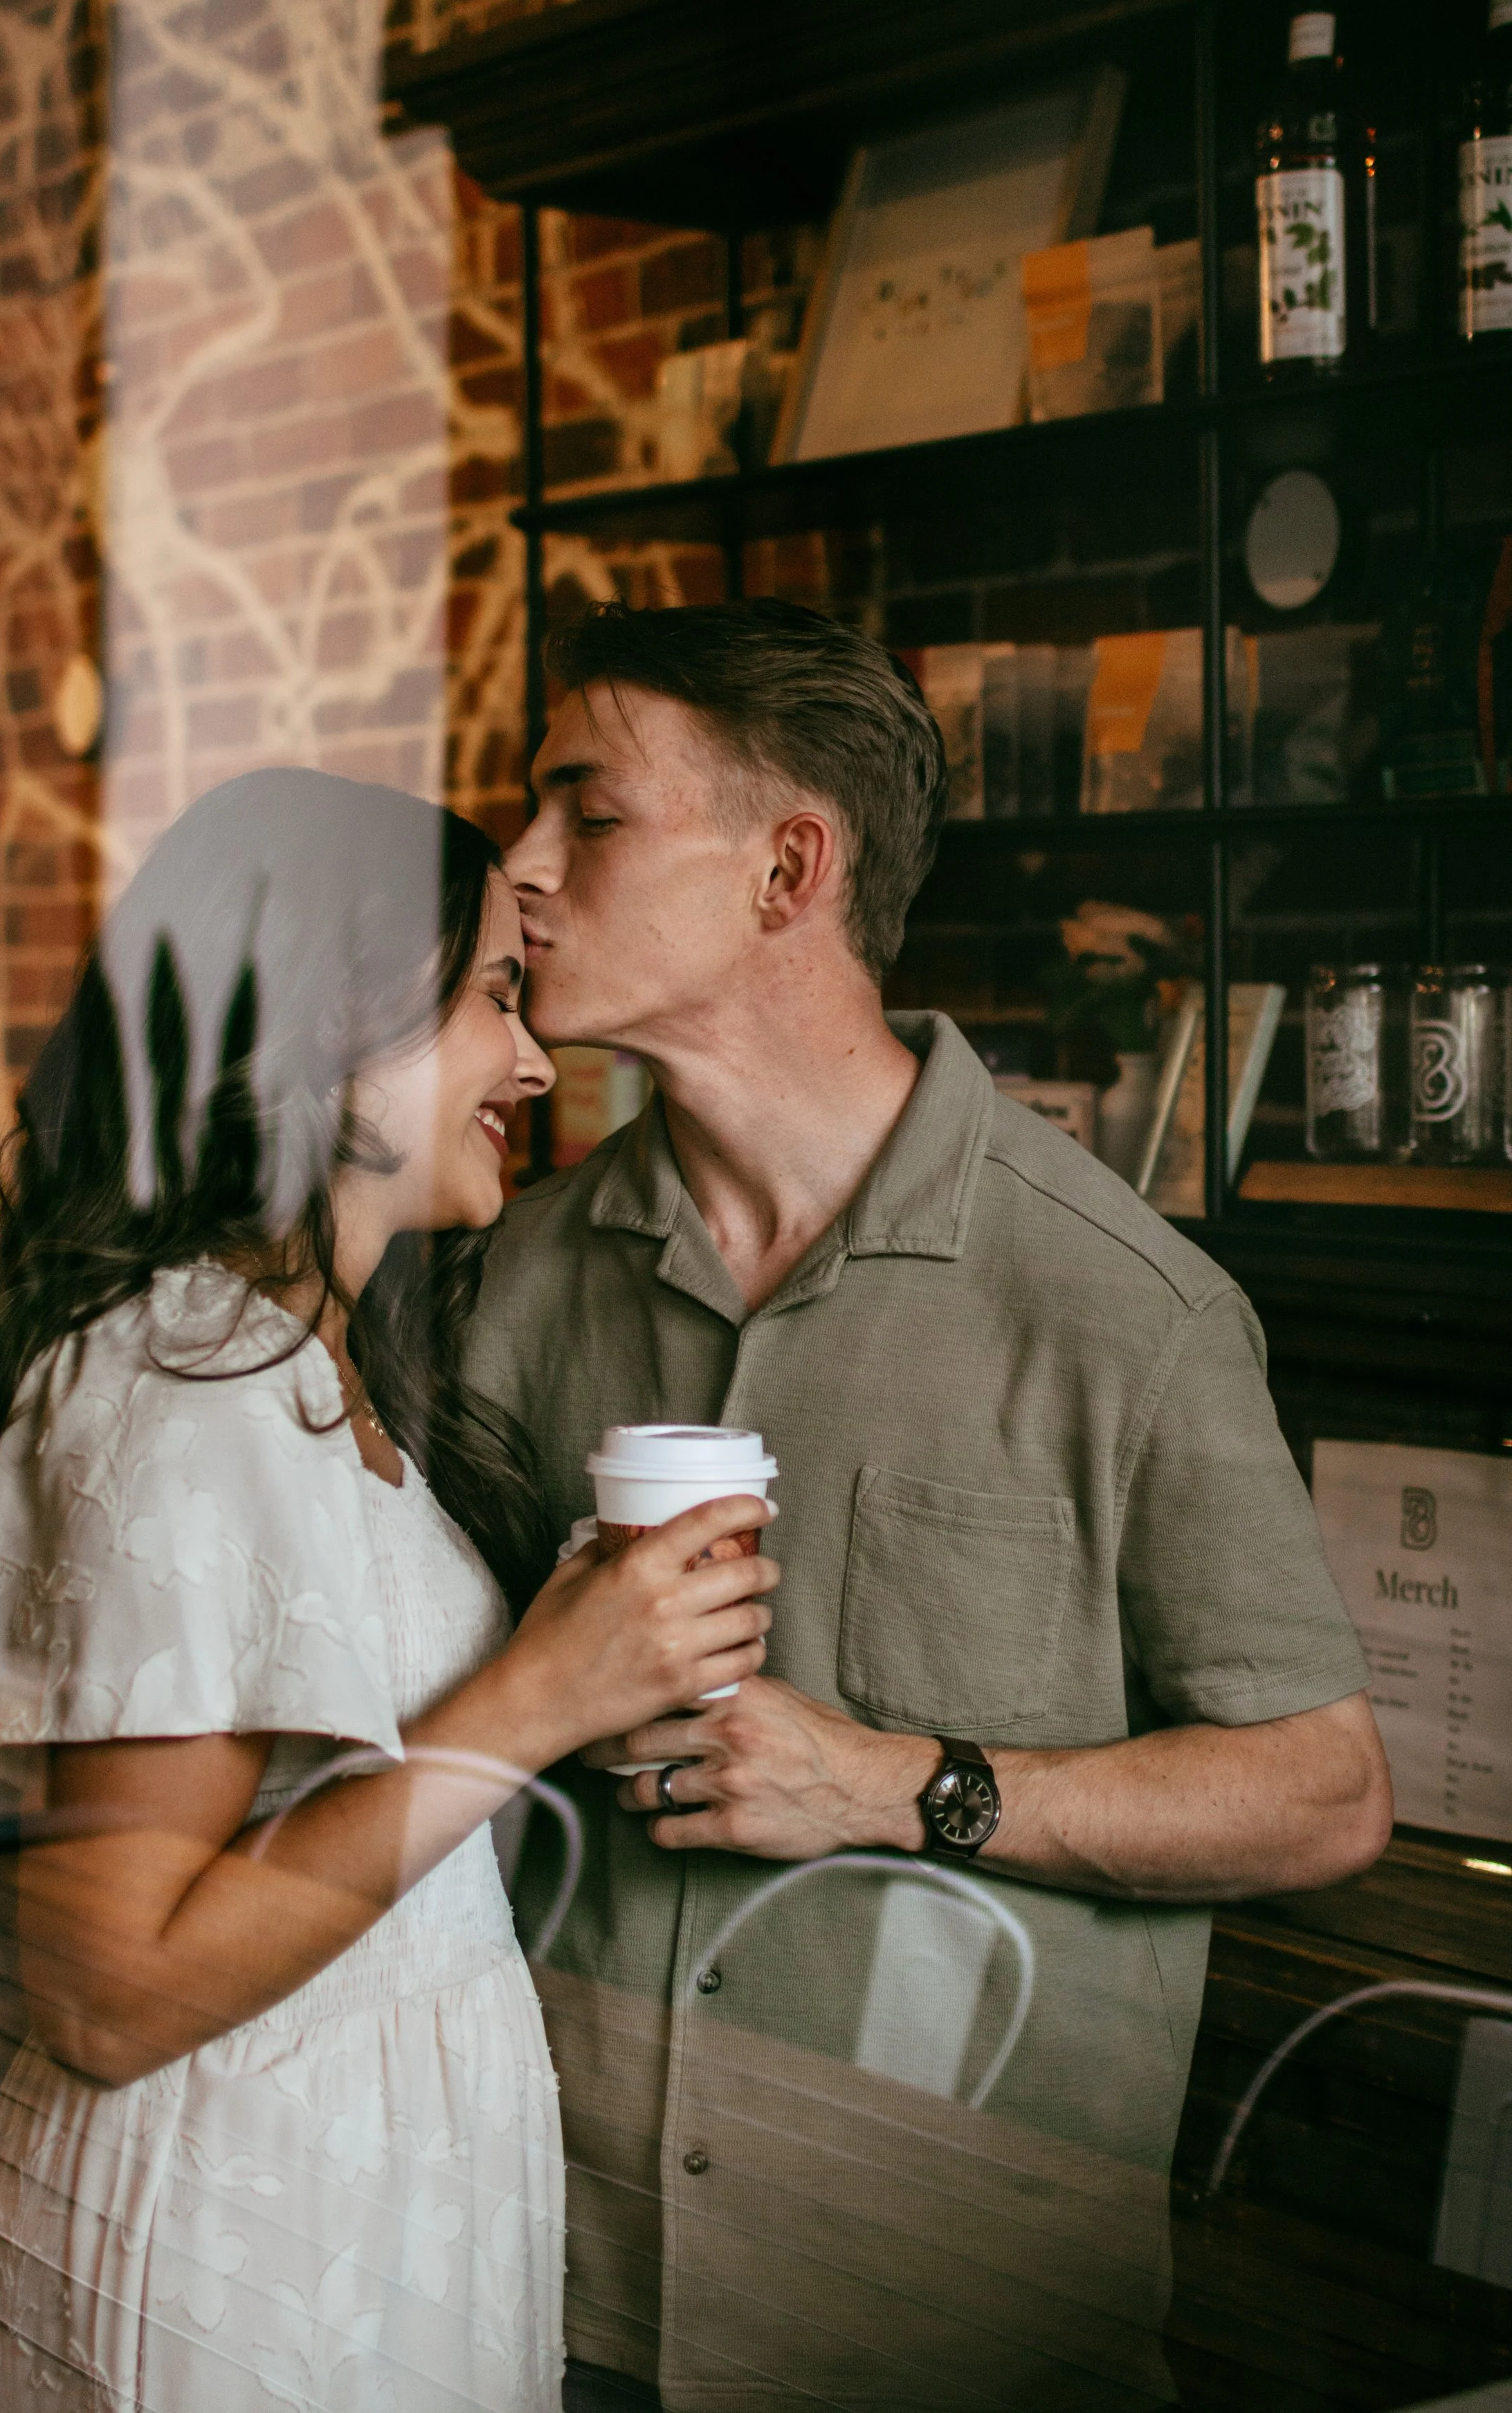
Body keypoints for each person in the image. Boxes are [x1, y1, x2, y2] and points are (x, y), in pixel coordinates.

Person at [463, 599, 1394, 2413]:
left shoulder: (1122, 1303)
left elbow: (1324, 1786)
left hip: (945, 2326)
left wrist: (891, 1779)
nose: (521, 867)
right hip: (550, 2288)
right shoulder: (515, 1278)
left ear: (787, 865)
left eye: (589, 808)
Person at [0, 767, 778, 2413]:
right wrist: (538, 1693)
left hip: (362, 2189)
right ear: (331, 1024)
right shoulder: (179, 1385)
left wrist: (588, 1665)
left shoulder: (307, 1360)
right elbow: (107, 1992)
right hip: (251, 2236)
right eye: (491, 1000)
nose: (534, 1062)